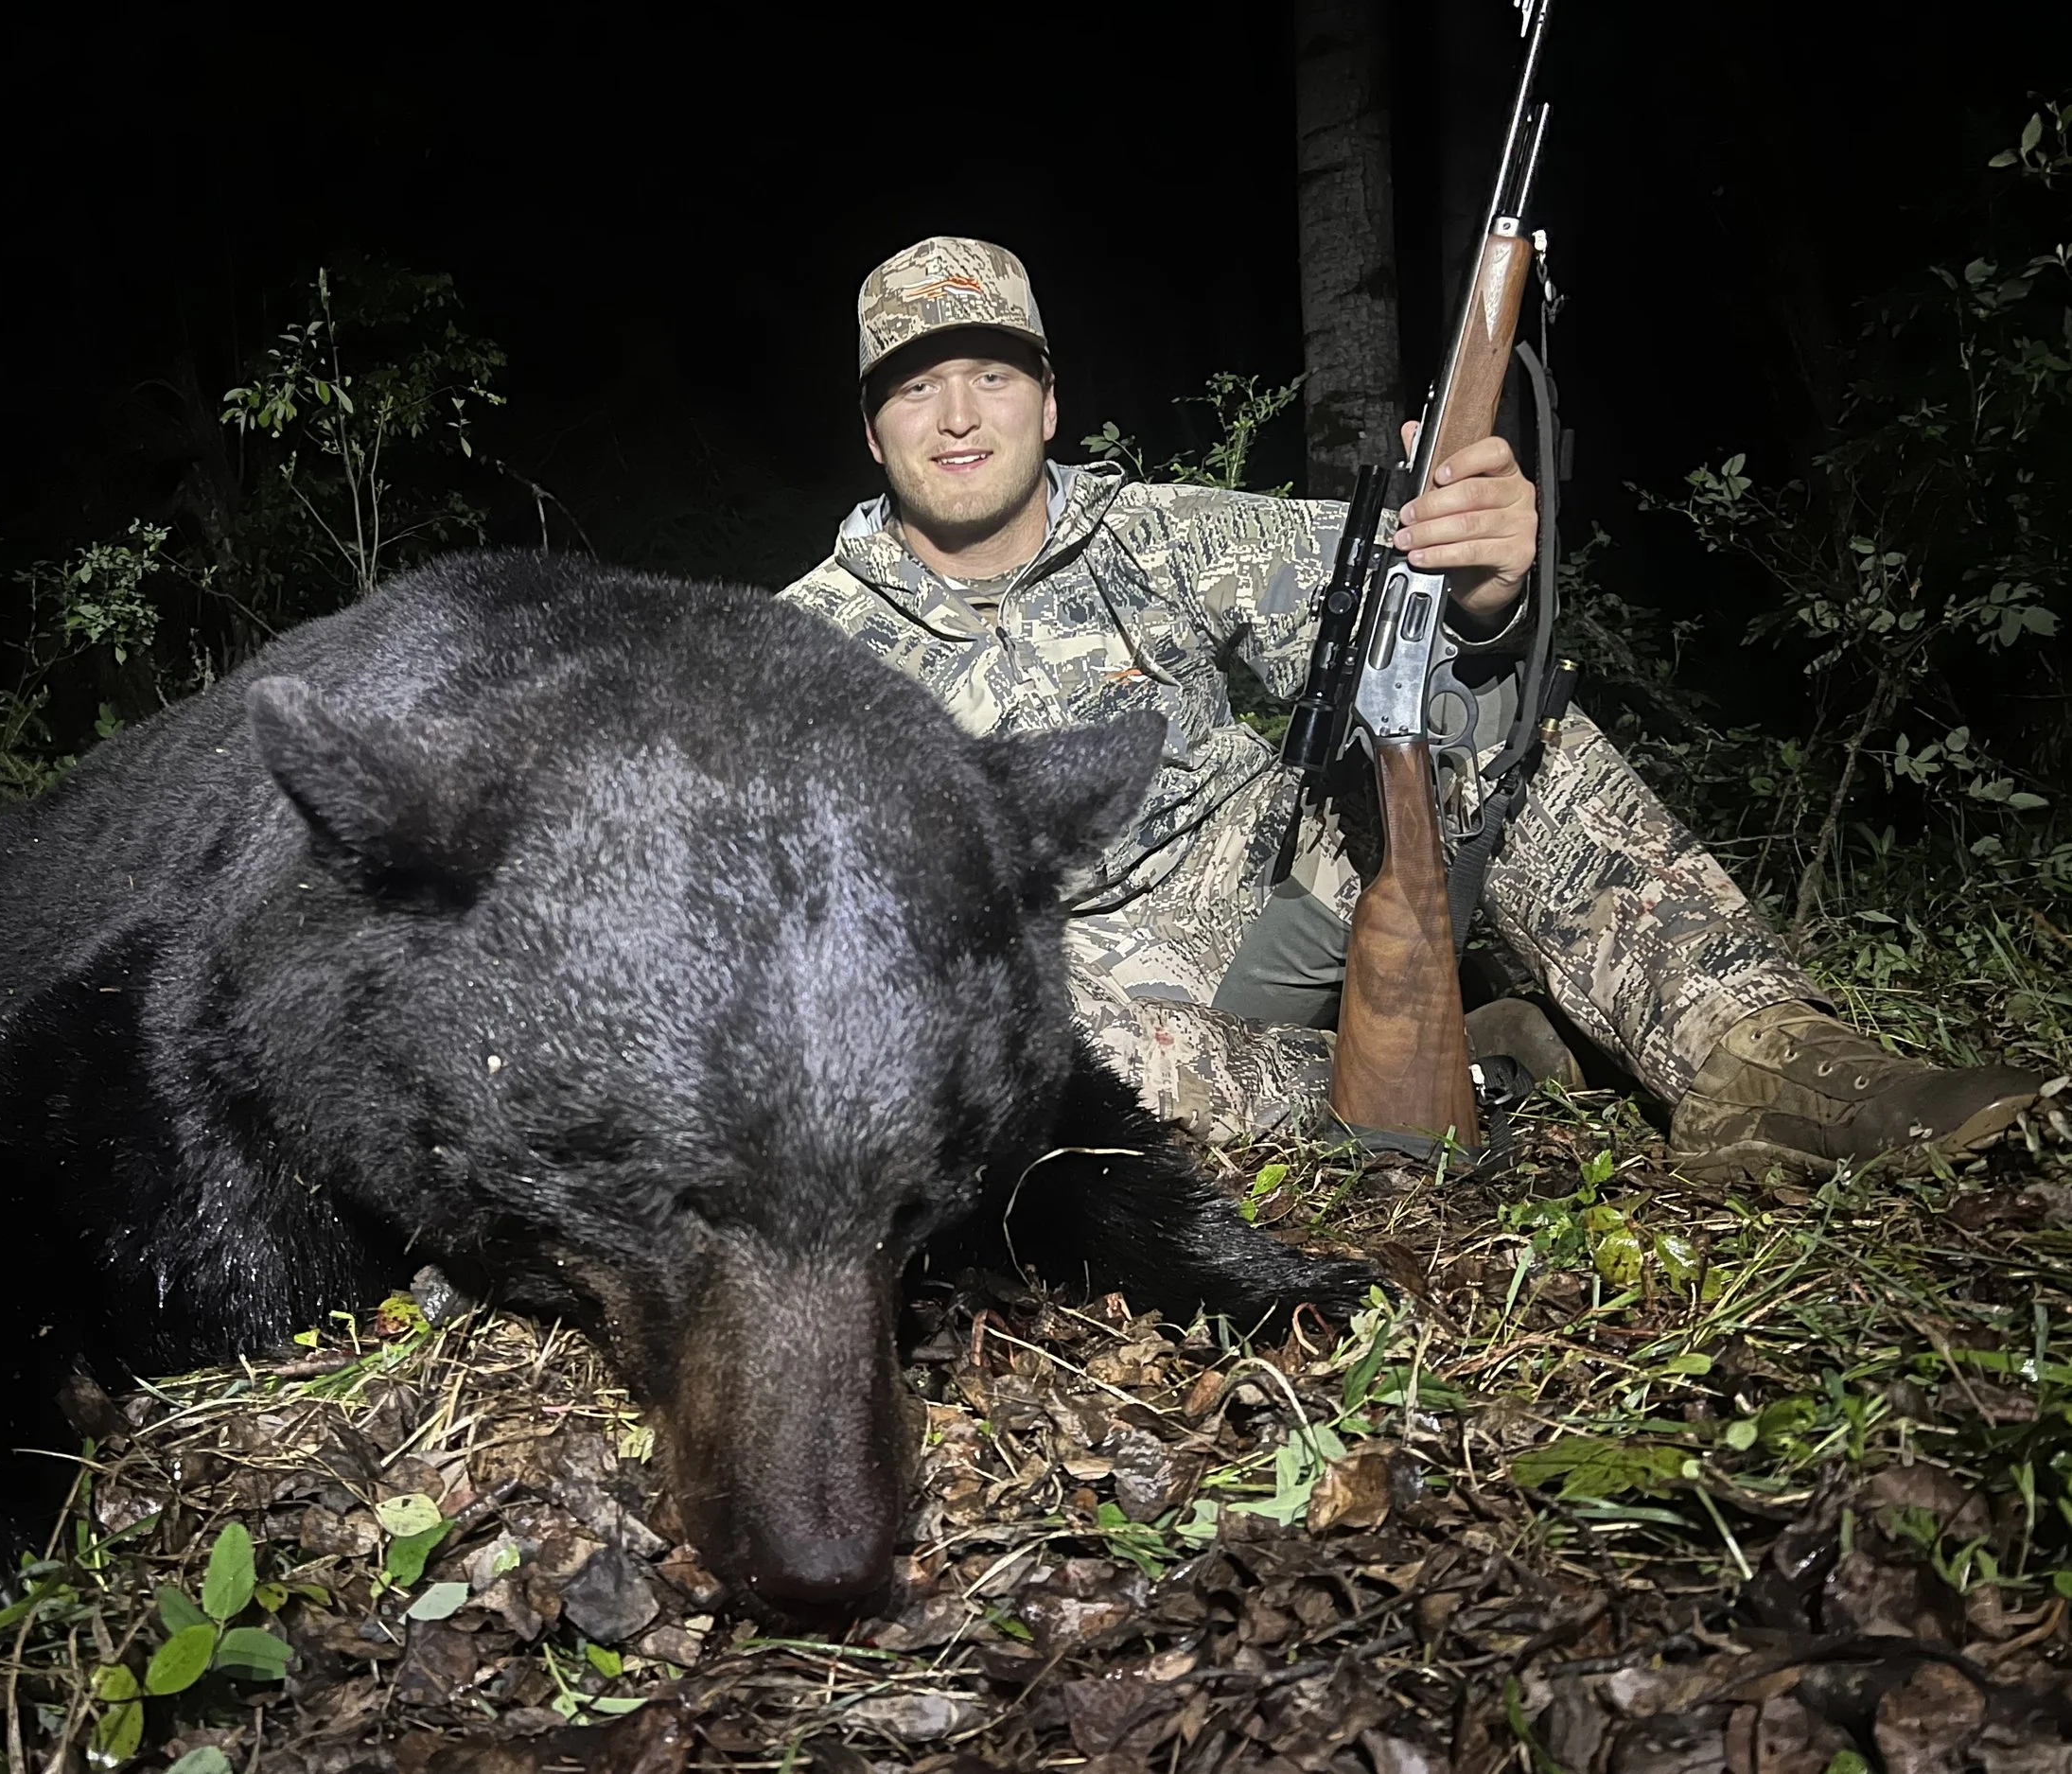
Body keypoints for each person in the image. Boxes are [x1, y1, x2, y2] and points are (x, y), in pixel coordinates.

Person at [778, 237, 2043, 1177]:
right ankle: (1416, 1073)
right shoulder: (795, 647)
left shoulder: (1157, 534)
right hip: (1081, 988)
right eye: (915, 385)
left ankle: (1769, 1058)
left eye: (991, 374)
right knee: (953, 1014)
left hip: (1273, 882)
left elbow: (1400, 608)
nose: (956, 416)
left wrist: (1480, 582)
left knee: (1516, 756)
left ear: (1047, 403)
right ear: (873, 427)